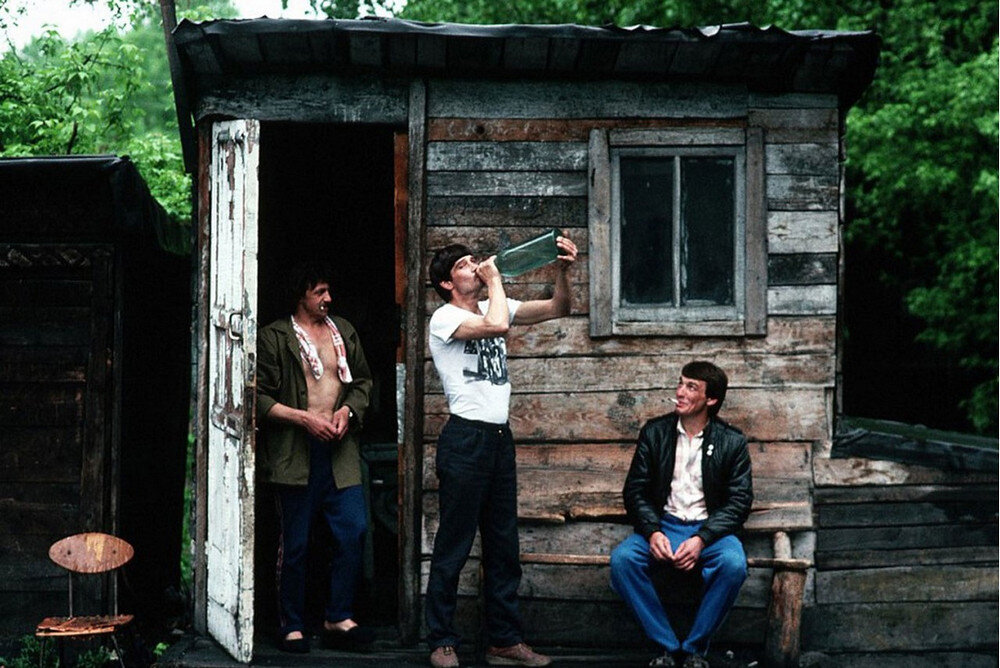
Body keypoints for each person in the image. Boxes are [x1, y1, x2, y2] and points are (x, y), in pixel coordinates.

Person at [425, 233, 578, 668]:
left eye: (475, 260)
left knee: (503, 544)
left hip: (497, 439)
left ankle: (504, 640)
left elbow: (559, 308)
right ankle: (442, 640)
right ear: (447, 284)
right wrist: (494, 278)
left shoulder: (496, 304)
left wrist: (562, 271)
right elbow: (496, 326)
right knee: (454, 544)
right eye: (463, 266)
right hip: (465, 439)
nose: (475, 266)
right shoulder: (445, 317)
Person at [256, 262, 375, 653]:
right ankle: (291, 624)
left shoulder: (343, 331)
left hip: (339, 452)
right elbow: (257, 398)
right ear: (300, 296)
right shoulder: (275, 337)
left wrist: (348, 412)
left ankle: (337, 616)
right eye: (319, 292)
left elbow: (362, 383)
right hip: (295, 453)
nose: (328, 299)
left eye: (328, 290)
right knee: (295, 544)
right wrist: (304, 419)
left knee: (353, 530)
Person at [610, 361, 753, 668]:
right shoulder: (655, 433)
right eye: (680, 383)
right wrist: (653, 531)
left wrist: (702, 539)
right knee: (623, 561)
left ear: (710, 399)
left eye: (691, 387)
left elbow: (739, 502)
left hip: (709, 532)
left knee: (733, 565)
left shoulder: (732, 442)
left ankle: (694, 649)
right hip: (664, 525)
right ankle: (667, 647)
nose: (680, 392)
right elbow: (635, 491)